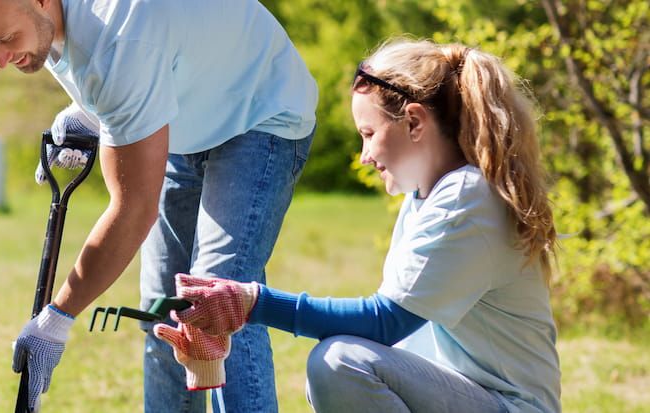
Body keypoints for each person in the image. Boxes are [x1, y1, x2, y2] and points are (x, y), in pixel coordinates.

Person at [0, 0, 318, 410]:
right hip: (184, 118)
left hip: (259, 110)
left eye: (5, 39)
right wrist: (91, 113)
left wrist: (56, 320)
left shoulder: (119, 41)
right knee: (163, 312)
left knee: (216, 306)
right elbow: (135, 64)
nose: (1, 59)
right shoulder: (49, 24)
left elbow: (133, 209)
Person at [160, 40, 561, 413]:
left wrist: (252, 303)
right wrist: (228, 323)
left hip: (507, 405)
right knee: (342, 360)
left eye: (369, 134)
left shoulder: (466, 197)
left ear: (415, 123)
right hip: (463, 395)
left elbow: (384, 321)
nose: (365, 155)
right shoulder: (428, 196)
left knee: (340, 362)